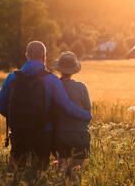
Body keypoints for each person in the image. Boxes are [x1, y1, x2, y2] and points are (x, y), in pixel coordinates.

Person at [0, 41, 92, 176]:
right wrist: (86, 115)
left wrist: (19, 118)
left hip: (19, 132)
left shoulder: (12, 77)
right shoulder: (51, 79)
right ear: (44, 56)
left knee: (16, 172)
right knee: (39, 174)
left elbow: (0, 106)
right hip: (43, 133)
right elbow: (66, 106)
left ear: (26, 55)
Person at [52, 51, 92, 184]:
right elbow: (88, 109)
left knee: (61, 173)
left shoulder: (54, 86)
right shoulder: (81, 87)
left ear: (59, 69)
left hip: (60, 133)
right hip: (79, 134)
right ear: (74, 69)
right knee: (76, 174)